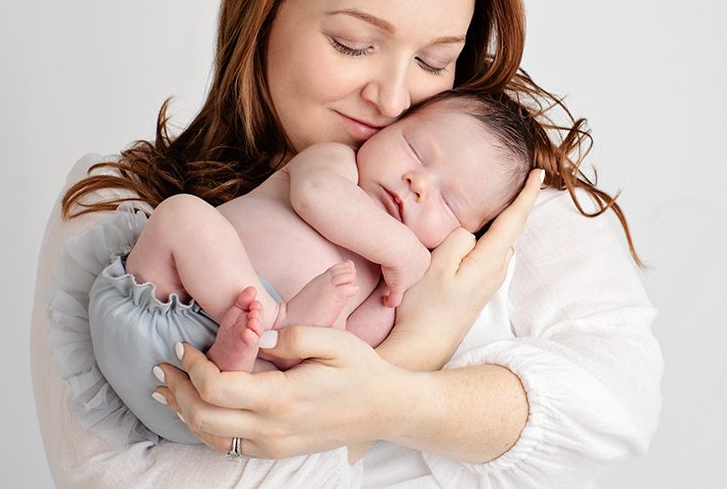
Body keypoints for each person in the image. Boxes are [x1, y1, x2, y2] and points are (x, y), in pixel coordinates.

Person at [31, 0, 663, 487]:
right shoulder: (117, 204)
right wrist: (417, 351)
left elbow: (619, 407)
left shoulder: (506, 202)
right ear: (263, 14)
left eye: (434, 61)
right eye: (353, 45)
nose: (392, 100)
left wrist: (394, 398)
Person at [89, 90, 540, 445]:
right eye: (415, 150)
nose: (418, 183)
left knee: (306, 371)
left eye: (449, 201)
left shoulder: (393, 285)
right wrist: (404, 250)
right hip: (162, 301)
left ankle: (242, 350)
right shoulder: (336, 165)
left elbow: (351, 363)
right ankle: (271, 319)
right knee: (180, 215)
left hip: (222, 400)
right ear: (383, 129)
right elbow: (315, 197)